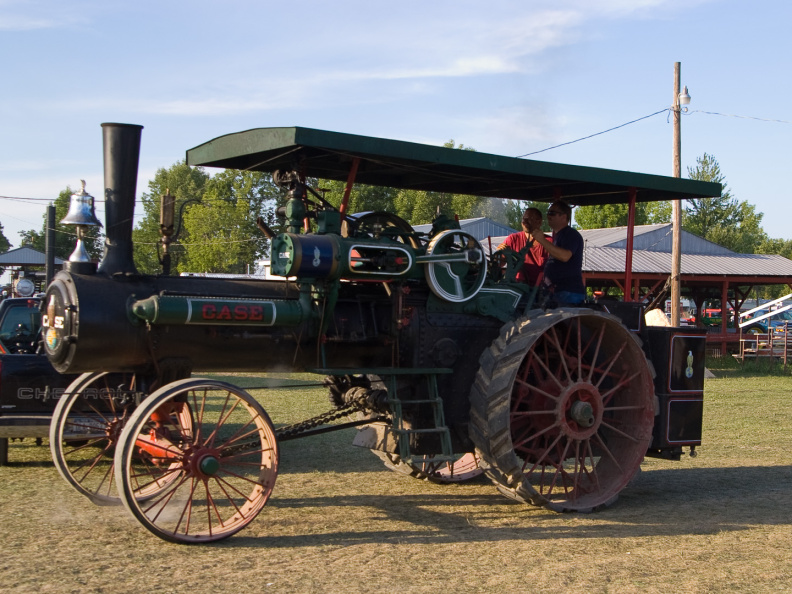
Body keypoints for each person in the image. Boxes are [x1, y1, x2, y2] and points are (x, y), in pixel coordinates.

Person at [526, 200, 585, 305]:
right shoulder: (559, 236)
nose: (548, 216)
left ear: (564, 216)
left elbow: (565, 256)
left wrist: (542, 240)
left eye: (552, 213)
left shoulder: (571, 234)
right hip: (557, 291)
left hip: (568, 292)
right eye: (548, 213)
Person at [496, 207, 550, 286]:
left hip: (541, 289)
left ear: (539, 222)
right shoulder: (513, 239)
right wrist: (499, 254)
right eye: (523, 218)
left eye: (528, 219)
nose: (524, 221)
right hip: (517, 286)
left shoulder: (549, 242)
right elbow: (500, 263)